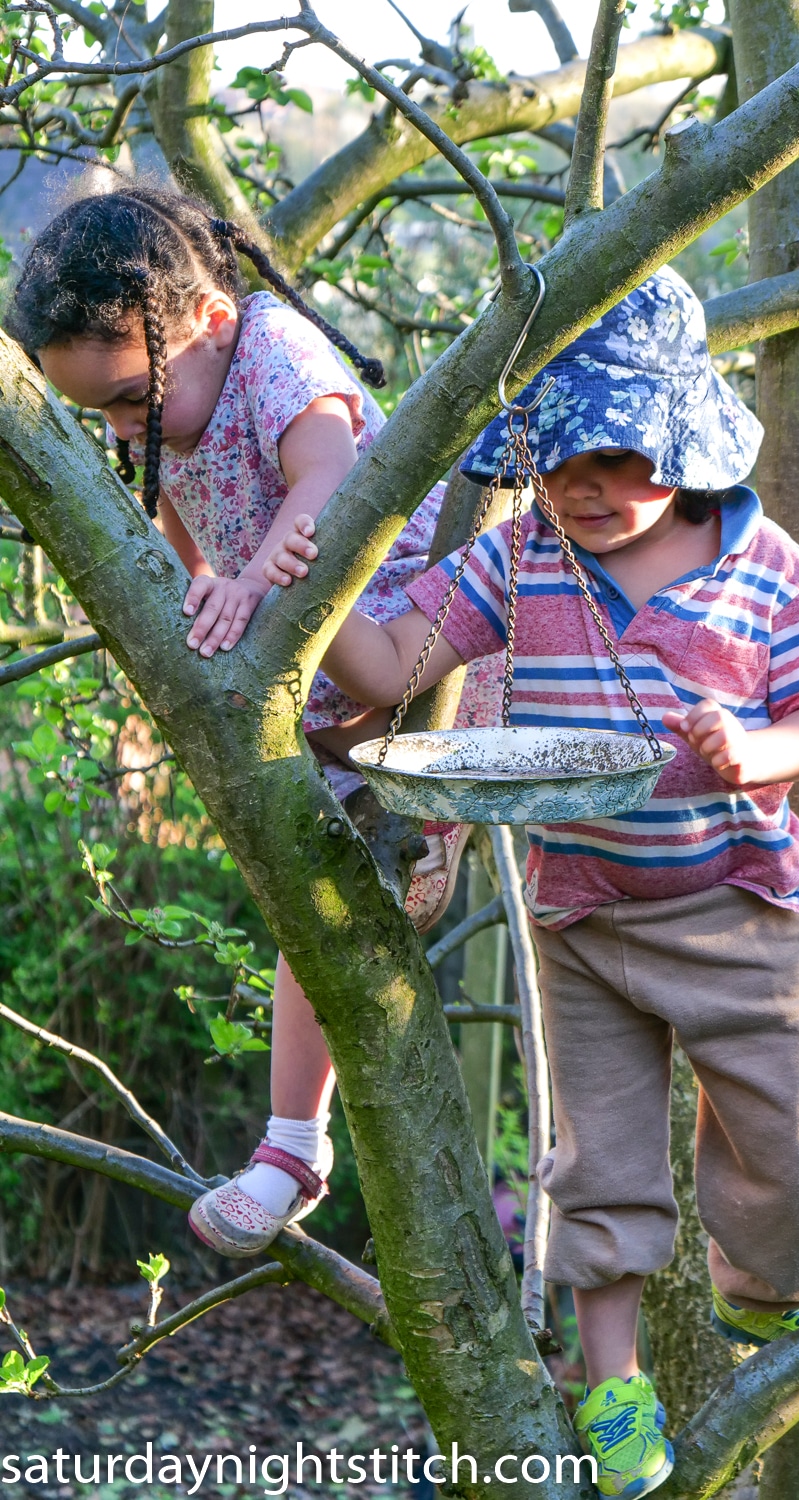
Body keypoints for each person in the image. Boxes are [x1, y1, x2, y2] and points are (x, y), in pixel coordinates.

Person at [264, 266, 799, 1497]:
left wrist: (759, 751)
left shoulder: (766, 570)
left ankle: (767, 1300)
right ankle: (613, 1388)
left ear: (684, 445)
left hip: (738, 907)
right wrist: (313, 583)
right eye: (557, 460)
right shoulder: (524, 555)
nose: (584, 488)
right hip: (583, 915)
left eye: (619, 457)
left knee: (797, 1145)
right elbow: (390, 662)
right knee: (598, 1160)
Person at [6, 185, 500, 1259]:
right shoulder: (171, 404)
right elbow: (180, 512)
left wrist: (262, 572)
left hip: (412, 644)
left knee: (391, 884)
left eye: (133, 399)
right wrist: (197, 585)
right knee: (311, 906)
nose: (126, 430)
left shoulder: (273, 347)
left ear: (210, 325)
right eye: (104, 416)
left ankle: (433, 853)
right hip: (317, 697)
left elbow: (324, 471)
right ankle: (293, 1146)